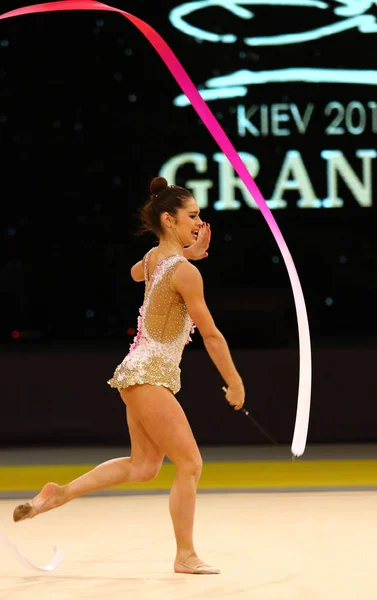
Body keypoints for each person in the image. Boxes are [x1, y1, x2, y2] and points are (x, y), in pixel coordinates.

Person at [13, 177, 245, 575]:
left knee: (144, 466)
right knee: (190, 464)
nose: (199, 222)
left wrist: (188, 252)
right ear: (169, 219)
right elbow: (211, 334)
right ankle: (185, 555)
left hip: (136, 373)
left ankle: (59, 494)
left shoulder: (156, 258)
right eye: (192, 216)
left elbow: (137, 272)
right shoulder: (185, 273)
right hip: (149, 375)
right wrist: (234, 380)